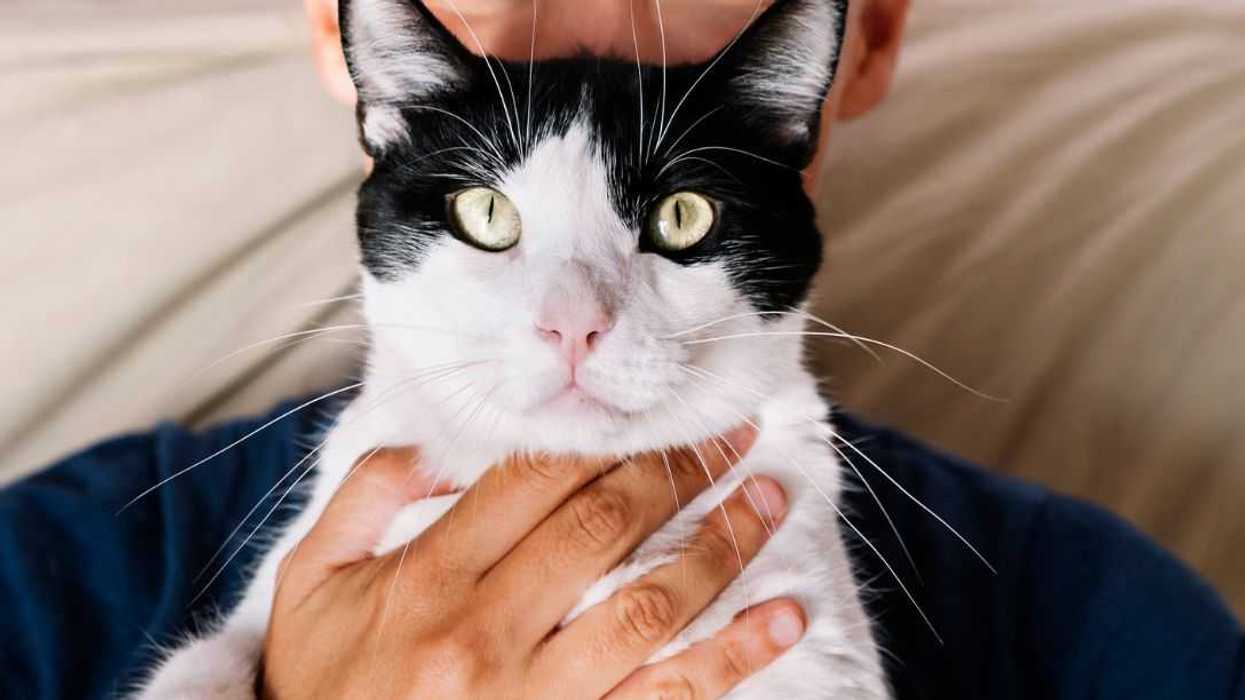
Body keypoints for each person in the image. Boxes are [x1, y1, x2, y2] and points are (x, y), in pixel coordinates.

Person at [1, 1, 1241, 698]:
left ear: (855, 42)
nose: (574, 317)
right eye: (493, 220)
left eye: (676, 214)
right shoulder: (44, 581)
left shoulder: (1112, 629)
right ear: (351, 40)